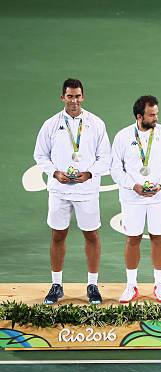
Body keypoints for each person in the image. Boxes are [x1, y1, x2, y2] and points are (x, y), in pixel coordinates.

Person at [33, 78, 111, 304]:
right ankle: (56, 285)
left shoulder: (96, 124)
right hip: (59, 190)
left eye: (77, 96)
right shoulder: (50, 124)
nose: (74, 100)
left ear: (83, 97)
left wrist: (89, 174)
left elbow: (105, 157)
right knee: (58, 235)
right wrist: (55, 172)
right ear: (62, 98)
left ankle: (93, 285)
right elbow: (40, 156)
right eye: (70, 96)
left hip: (87, 191)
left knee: (92, 235)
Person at [111, 96, 161, 303]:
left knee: (158, 237)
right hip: (132, 197)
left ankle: (159, 284)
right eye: (152, 115)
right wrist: (134, 186)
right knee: (133, 239)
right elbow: (115, 168)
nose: (156, 118)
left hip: (158, 197)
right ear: (139, 116)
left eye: (157, 113)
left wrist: (160, 185)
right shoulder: (123, 137)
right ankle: (131, 286)